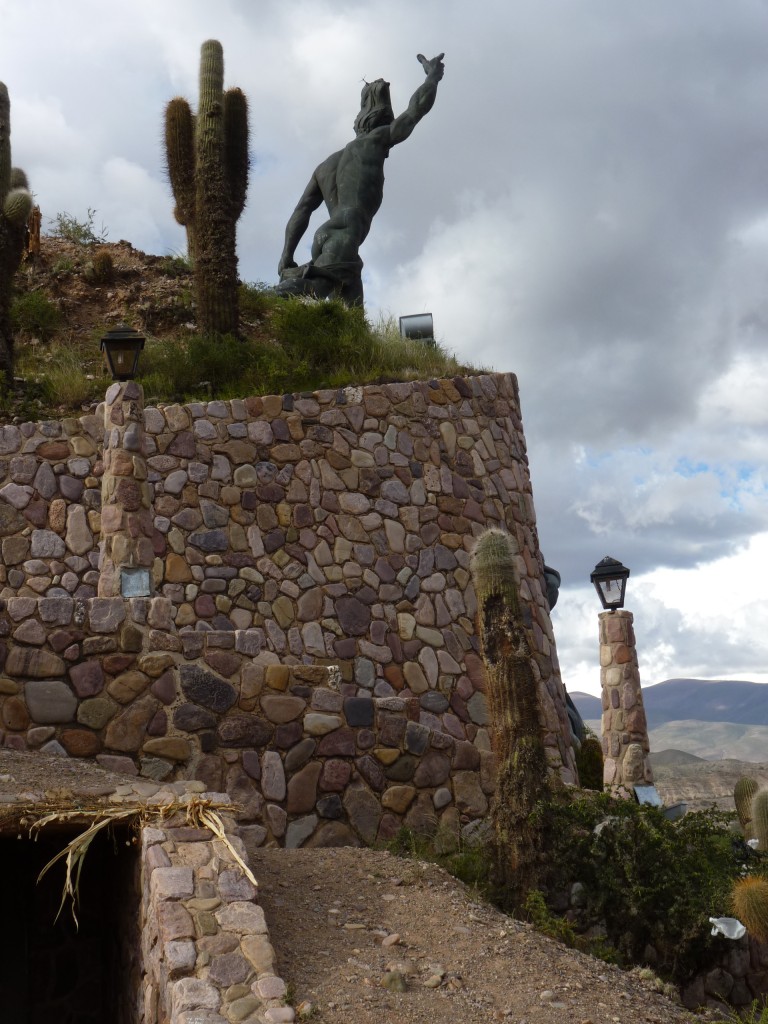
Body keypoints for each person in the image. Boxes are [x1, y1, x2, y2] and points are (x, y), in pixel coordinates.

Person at [276, 52, 445, 305]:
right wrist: (433, 77)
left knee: (352, 311)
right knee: (315, 289)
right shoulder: (377, 140)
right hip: (344, 236)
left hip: (330, 237)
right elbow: (415, 111)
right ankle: (266, 298)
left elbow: (302, 210)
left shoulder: (326, 165)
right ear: (383, 121)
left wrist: (286, 256)